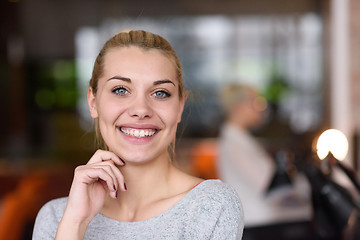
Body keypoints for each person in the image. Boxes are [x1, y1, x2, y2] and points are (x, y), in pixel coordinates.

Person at [32, 30, 244, 240]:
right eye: (121, 90)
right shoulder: (56, 217)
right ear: (93, 102)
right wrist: (75, 223)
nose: (141, 109)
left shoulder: (211, 206)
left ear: (179, 107)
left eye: (160, 93)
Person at [217, 84, 311, 227]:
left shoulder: (241, 140)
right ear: (238, 107)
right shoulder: (233, 145)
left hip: (261, 218)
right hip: (257, 222)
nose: (260, 107)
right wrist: (303, 190)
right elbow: (269, 186)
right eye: (255, 101)